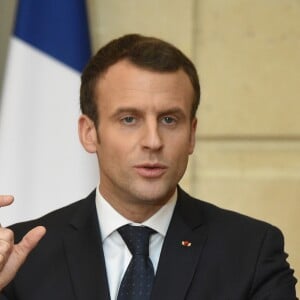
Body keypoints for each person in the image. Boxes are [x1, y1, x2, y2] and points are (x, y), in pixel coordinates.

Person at [0, 34, 297, 299]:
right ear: (89, 133)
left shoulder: (250, 251)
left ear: (191, 135)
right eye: (129, 119)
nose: (153, 141)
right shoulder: (22, 255)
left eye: (169, 119)